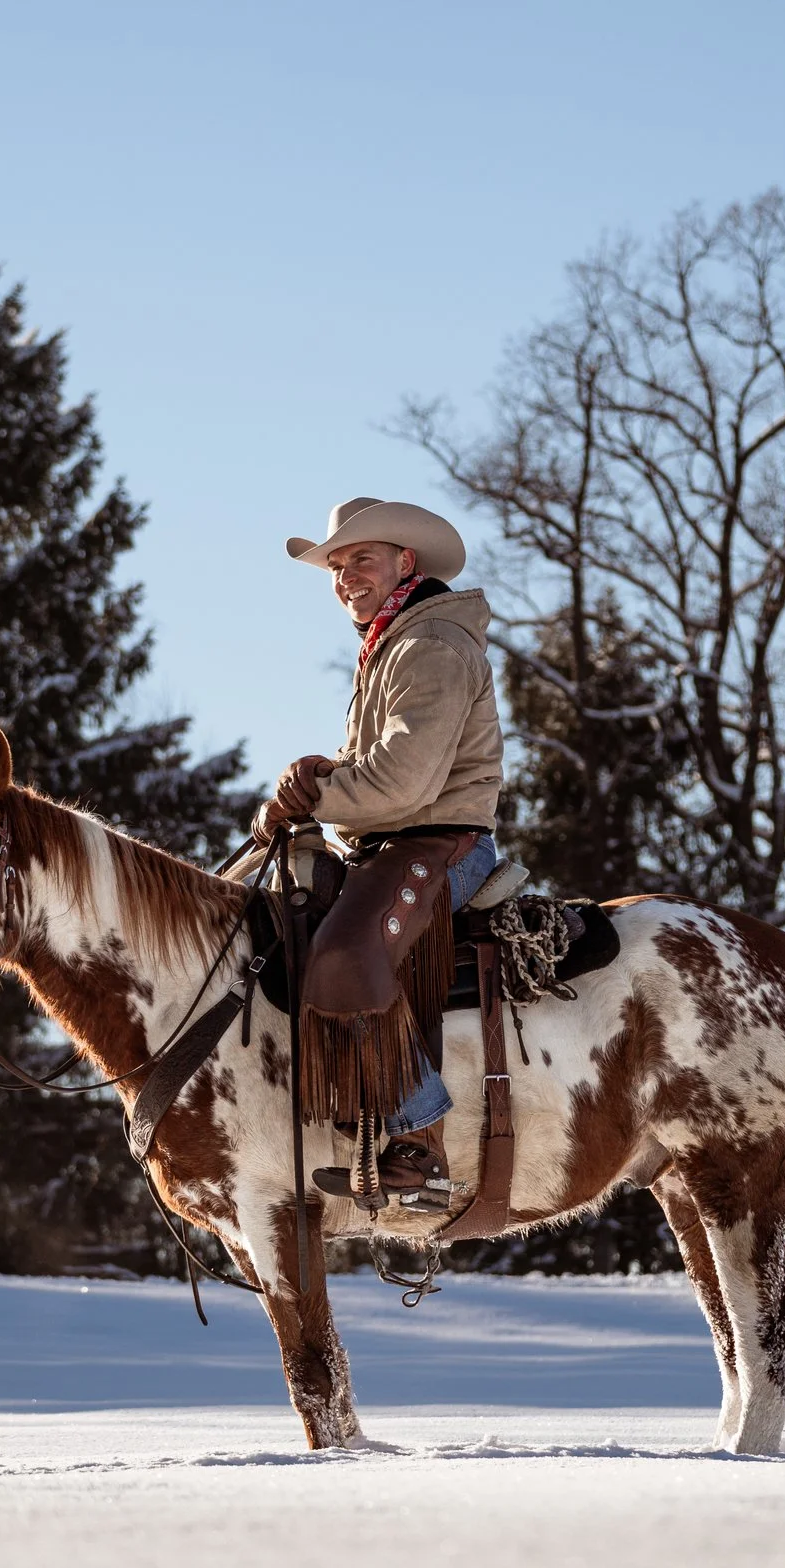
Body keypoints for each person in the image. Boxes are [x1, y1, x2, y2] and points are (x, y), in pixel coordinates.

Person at [256, 498, 502, 1205]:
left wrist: (314, 797)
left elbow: (404, 780)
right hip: (396, 843)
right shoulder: (393, 644)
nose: (344, 577)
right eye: (336, 566)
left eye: (360, 558)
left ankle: (419, 1140)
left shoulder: (432, 646)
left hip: (441, 842)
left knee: (342, 951)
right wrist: (318, 781)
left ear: (406, 561)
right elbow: (369, 770)